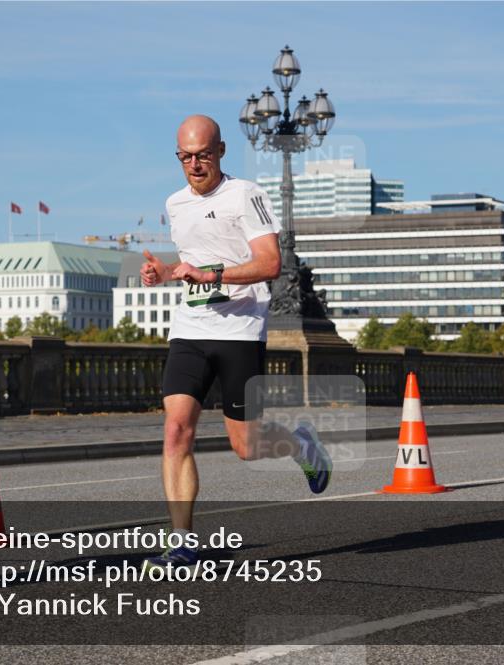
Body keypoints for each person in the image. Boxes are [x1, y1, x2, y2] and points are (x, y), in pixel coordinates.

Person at [140, 115, 332, 572]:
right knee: (175, 431)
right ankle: (183, 542)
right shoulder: (176, 202)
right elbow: (192, 261)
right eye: (185, 157)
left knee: (246, 447)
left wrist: (214, 276)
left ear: (221, 151)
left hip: (240, 330)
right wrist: (164, 273)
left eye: (203, 155)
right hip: (190, 327)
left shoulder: (245, 195)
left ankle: (301, 444)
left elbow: (270, 263)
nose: (194, 165)